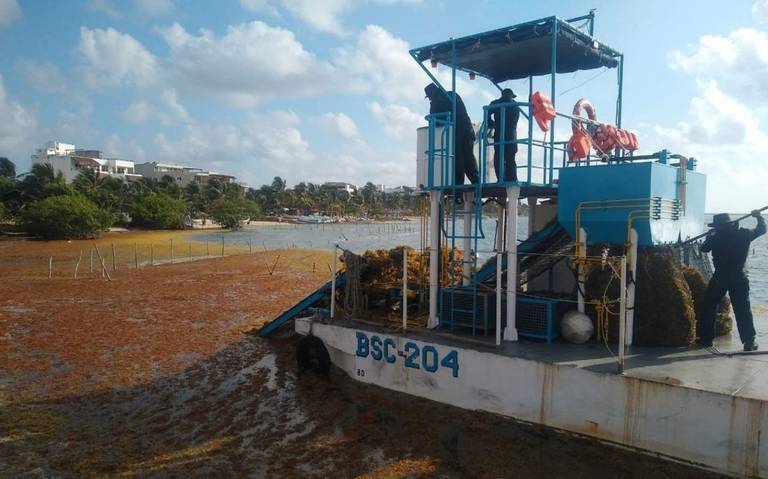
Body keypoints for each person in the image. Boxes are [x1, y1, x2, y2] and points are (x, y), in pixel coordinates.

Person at [698, 210, 766, 350]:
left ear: (720, 226)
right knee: (743, 309)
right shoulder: (744, 234)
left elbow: (704, 248)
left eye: (716, 226)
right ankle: (749, 342)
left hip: (720, 277)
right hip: (739, 278)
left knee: (709, 306)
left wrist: (710, 237)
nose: (715, 229)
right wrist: (759, 217)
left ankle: (706, 339)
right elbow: (762, 229)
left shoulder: (716, 237)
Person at [424, 83, 479, 189]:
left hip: (456, 131)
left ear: (432, 95)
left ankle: (458, 185)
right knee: (469, 156)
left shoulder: (436, 101)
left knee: (457, 157)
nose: (430, 99)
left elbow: (434, 120)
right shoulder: (453, 95)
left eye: (429, 97)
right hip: (468, 128)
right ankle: (476, 181)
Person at [487, 88, 520, 182]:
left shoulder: (496, 103)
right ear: (511, 95)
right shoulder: (515, 105)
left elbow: (487, 113)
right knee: (511, 159)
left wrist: (491, 124)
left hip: (499, 134)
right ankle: (513, 179)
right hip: (512, 135)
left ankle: (501, 178)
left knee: (499, 157)